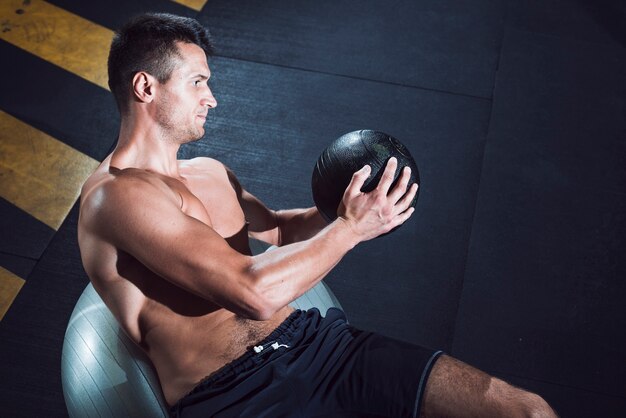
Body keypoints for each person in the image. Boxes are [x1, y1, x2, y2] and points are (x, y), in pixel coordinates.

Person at [78, 12, 557, 418]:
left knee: (527, 410)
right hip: (235, 395)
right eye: (197, 82)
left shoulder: (208, 171)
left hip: (319, 346)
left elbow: (283, 229)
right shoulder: (116, 197)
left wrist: (351, 203)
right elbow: (251, 291)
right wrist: (350, 230)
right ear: (145, 86)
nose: (212, 98)